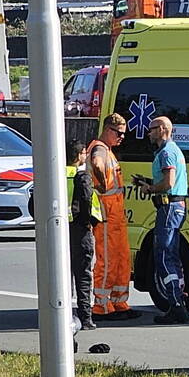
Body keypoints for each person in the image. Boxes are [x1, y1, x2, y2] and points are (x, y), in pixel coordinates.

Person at [133, 116, 189, 324]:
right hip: (174, 207)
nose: (149, 132)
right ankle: (178, 301)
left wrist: (150, 188)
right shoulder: (172, 150)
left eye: (152, 129)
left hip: (168, 207)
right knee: (172, 256)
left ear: (163, 129)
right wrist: (147, 182)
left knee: (164, 256)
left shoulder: (167, 152)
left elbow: (168, 183)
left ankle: (176, 305)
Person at [87, 113, 140, 321]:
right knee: (107, 260)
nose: (122, 137)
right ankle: (101, 305)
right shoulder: (100, 148)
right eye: (118, 133)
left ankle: (119, 301)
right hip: (107, 214)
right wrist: (100, 183)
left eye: (124, 134)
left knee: (121, 258)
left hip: (116, 214)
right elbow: (97, 164)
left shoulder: (108, 150)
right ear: (108, 129)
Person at [67, 139, 101, 330]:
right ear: (79, 155)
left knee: (62, 275)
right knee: (83, 275)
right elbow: (87, 199)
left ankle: (64, 314)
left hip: (57, 230)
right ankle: (85, 318)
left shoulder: (52, 175)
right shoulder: (81, 176)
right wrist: (88, 221)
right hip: (80, 229)